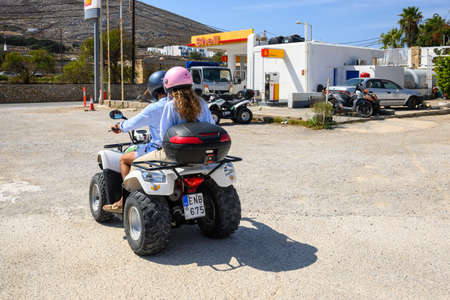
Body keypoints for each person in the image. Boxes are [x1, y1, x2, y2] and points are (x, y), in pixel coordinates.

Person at [103, 71, 167, 214]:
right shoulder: (183, 104)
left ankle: (125, 199)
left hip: (159, 150)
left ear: (153, 89)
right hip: (181, 148)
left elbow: (133, 123)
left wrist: (119, 126)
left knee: (124, 159)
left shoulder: (155, 107)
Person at [134, 66, 215, 163]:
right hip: (201, 153)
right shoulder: (201, 102)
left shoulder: (171, 105)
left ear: (167, 85)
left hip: (176, 154)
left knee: (136, 164)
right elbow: (212, 125)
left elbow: (164, 135)